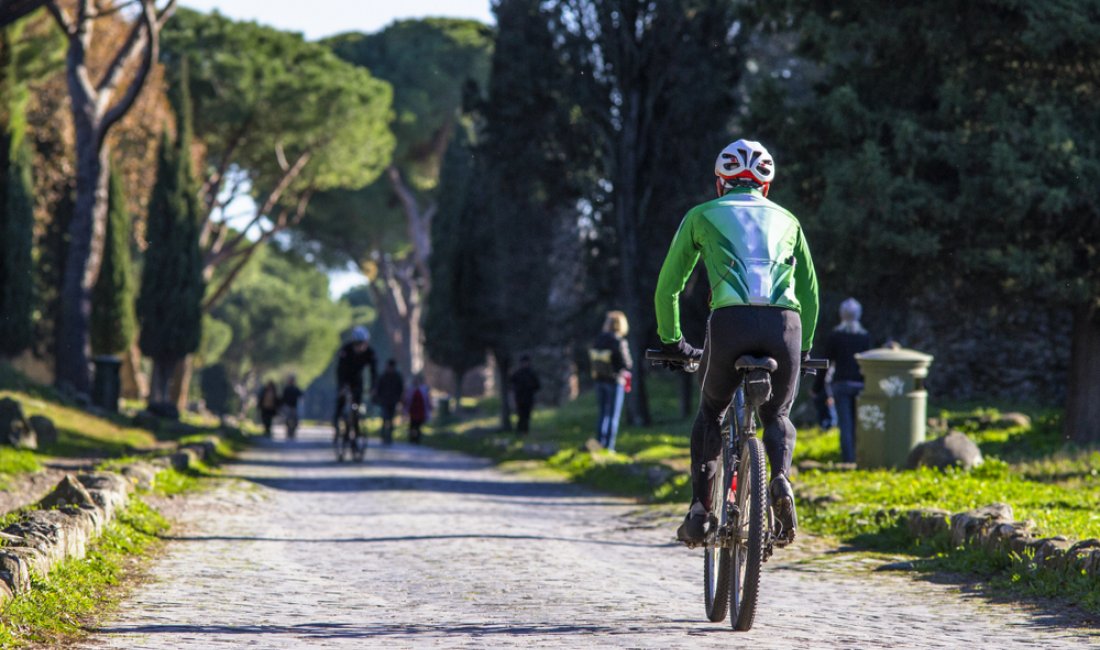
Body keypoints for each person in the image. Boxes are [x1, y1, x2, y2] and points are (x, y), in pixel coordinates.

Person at [654, 138, 819, 545]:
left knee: (711, 411)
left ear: (720, 183)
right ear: (766, 187)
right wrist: (806, 348)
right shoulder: (789, 219)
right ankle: (778, 478)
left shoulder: (701, 214)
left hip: (730, 323)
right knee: (777, 415)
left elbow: (667, 289)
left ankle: (700, 512)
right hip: (786, 325)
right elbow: (811, 293)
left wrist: (672, 341)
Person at [814, 298, 872, 463]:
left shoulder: (835, 336)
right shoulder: (864, 336)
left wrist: (817, 387)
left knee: (845, 423)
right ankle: (859, 455)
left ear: (841, 314)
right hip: (861, 384)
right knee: (858, 423)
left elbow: (826, 363)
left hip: (841, 384)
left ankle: (848, 459)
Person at [589, 310, 633, 452]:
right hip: (615, 382)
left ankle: (598, 444)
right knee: (613, 415)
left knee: (602, 413)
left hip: (599, 380)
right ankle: (609, 447)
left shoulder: (599, 339)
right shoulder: (619, 341)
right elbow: (627, 364)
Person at [334, 326, 377, 438]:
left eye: (363, 344)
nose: (360, 347)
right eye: (358, 344)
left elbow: (374, 372)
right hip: (344, 377)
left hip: (357, 380)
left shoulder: (369, 353)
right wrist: (342, 386)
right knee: (341, 400)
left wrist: (373, 387)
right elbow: (340, 370)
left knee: (356, 405)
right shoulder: (346, 350)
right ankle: (336, 422)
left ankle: (356, 429)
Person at [375, 359, 405, 445]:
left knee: (391, 419)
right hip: (384, 401)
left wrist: (399, 399)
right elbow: (379, 388)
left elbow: (400, 389)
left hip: (393, 401)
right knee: (385, 418)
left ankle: (389, 436)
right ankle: (384, 436)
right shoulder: (383, 376)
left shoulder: (397, 376)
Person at [510, 355, 542, 434]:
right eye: (523, 362)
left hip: (528, 398)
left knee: (527, 415)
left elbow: (537, 386)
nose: (525, 364)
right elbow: (511, 384)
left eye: (526, 362)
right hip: (519, 398)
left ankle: (525, 431)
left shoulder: (532, 373)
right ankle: (519, 431)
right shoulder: (517, 374)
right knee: (520, 415)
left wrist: (530, 388)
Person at [403, 374, 432, 444]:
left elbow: (427, 400)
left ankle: (417, 439)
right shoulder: (410, 390)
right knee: (412, 426)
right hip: (413, 411)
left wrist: (429, 408)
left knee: (418, 426)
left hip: (420, 411)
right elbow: (406, 400)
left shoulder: (424, 389)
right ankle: (412, 438)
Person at [280, 375, 303, 439]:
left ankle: (293, 431)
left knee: (295, 420)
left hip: (294, 407)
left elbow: (301, 395)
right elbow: (283, 398)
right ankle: (288, 431)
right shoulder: (286, 389)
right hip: (287, 406)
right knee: (287, 420)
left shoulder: (296, 388)